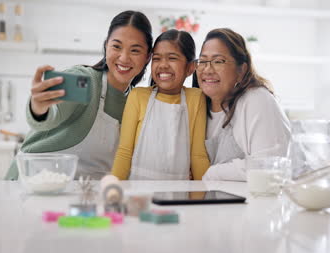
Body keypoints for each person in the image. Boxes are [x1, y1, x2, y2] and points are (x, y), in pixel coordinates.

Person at [5, 10, 153, 180]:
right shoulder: (82, 79)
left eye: (135, 50)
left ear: (147, 57)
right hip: (32, 181)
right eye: (116, 46)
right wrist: (38, 108)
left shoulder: (136, 101)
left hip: (82, 194)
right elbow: (51, 114)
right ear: (106, 46)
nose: (124, 57)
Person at [192, 28, 291, 181]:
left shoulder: (257, 99)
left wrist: (209, 173)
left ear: (241, 70)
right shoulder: (199, 107)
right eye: (203, 61)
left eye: (219, 61)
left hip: (262, 202)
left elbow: (269, 166)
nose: (207, 69)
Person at [111, 29, 210, 180]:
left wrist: (204, 200)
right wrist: (113, 191)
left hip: (178, 196)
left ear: (190, 68)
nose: (163, 65)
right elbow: (124, 152)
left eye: (172, 58)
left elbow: (198, 156)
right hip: (138, 194)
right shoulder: (138, 96)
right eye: (156, 59)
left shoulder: (196, 99)